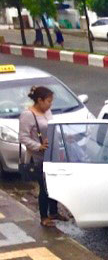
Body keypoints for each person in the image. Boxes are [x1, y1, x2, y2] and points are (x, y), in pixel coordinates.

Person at [18, 86, 68, 227]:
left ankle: (53, 211)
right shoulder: (28, 115)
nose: (50, 104)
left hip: (52, 154)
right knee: (45, 187)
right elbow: (23, 137)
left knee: (54, 185)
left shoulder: (47, 112)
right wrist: (38, 146)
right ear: (39, 100)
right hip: (39, 158)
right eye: (48, 101)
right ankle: (44, 217)